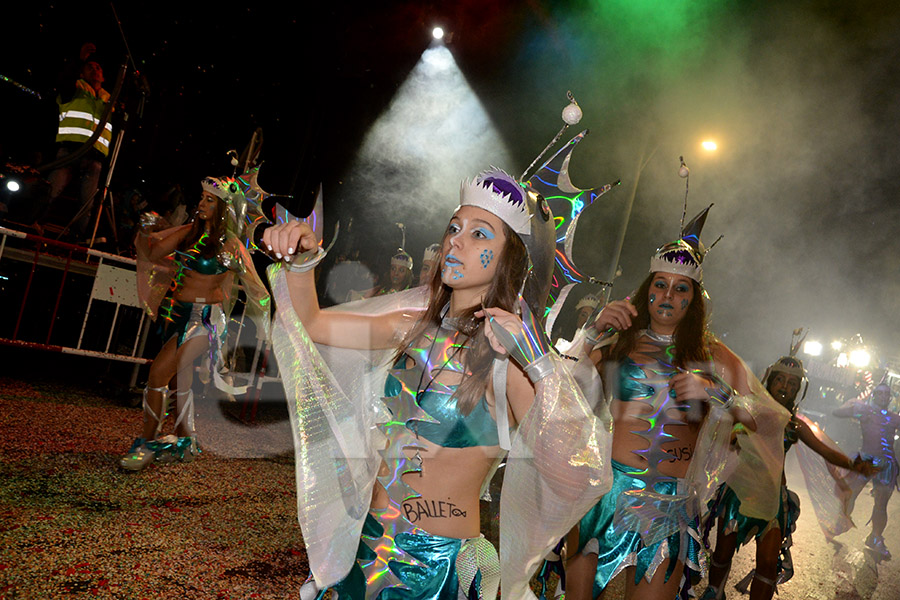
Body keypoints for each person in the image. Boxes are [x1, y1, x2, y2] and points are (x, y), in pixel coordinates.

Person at [263, 168, 612, 599]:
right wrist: (302, 260)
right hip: (365, 550)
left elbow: (574, 474)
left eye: (479, 234)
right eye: (454, 228)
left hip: (435, 571)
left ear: (508, 260)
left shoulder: (506, 360)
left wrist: (537, 361)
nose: (456, 241)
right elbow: (311, 324)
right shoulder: (408, 326)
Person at [566, 206, 789, 600]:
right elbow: (561, 384)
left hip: (669, 506)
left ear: (693, 299)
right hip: (606, 494)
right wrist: (590, 331)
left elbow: (763, 418)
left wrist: (717, 392)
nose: (667, 295)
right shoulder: (620, 340)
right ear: (646, 289)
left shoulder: (711, 352)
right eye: (660, 284)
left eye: (680, 288)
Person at [119, 176, 269, 471]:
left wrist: (237, 268)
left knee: (158, 373)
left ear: (224, 207)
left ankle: (145, 445)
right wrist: (146, 227)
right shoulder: (189, 233)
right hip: (178, 315)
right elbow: (153, 252)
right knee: (179, 380)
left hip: (206, 320)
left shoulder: (230, 244)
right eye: (201, 198)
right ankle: (186, 438)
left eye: (209, 200)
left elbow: (257, 290)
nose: (201, 204)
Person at [702, 348, 878, 600]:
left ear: (798, 391)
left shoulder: (794, 424)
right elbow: (725, 434)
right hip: (738, 497)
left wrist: (853, 464)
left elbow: (825, 451)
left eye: (793, 383)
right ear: (770, 381)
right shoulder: (749, 410)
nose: (785, 386)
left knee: (767, 565)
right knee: (721, 556)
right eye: (780, 379)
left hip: (774, 502)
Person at [36, 44, 113, 239]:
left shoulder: (108, 101)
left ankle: (79, 237)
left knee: (87, 203)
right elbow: (64, 79)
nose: (95, 70)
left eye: (98, 68)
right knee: (51, 191)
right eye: (90, 67)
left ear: (103, 78)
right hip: (71, 151)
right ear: (81, 72)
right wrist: (79, 59)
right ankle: (35, 223)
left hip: (95, 157)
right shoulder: (74, 88)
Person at [832, 382, 900, 559]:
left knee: (881, 502)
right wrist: (850, 403)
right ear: (875, 395)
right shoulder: (865, 411)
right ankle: (841, 521)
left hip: (886, 463)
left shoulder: (894, 417)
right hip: (867, 459)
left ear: (890, 398)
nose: (884, 397)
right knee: (851, 493)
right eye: (880, 393)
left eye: (887, 394)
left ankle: (875, 537)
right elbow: (837, 413)